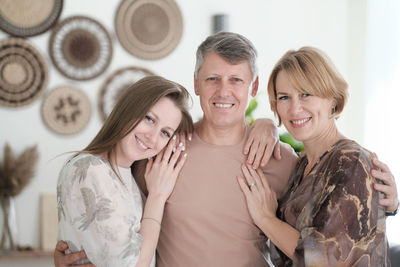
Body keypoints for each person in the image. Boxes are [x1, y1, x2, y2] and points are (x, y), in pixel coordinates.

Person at [55, 33, 398, 267]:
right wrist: (73, 254)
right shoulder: (161, 150)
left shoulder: (283, 161)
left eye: (236, 80)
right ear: (195, 84)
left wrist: (390, 199)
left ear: (252, 87)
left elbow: (337, 223)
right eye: (212, 79)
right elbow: (115, 218)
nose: (224, 91)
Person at [238, 47, 397, 266]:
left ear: (332, 98)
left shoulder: (351, 162)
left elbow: (324, 259)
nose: (295, 109)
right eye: (284, 97)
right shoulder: (301, 165)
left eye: (306, 94)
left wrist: (266, 219)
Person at [57, 76, 194, 267]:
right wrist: (157, 196)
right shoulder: (89, 169)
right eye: (149, 119)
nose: (152, 137)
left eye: (165, 132)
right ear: (128, 110)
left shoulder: (131, 180)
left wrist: (252, 128)